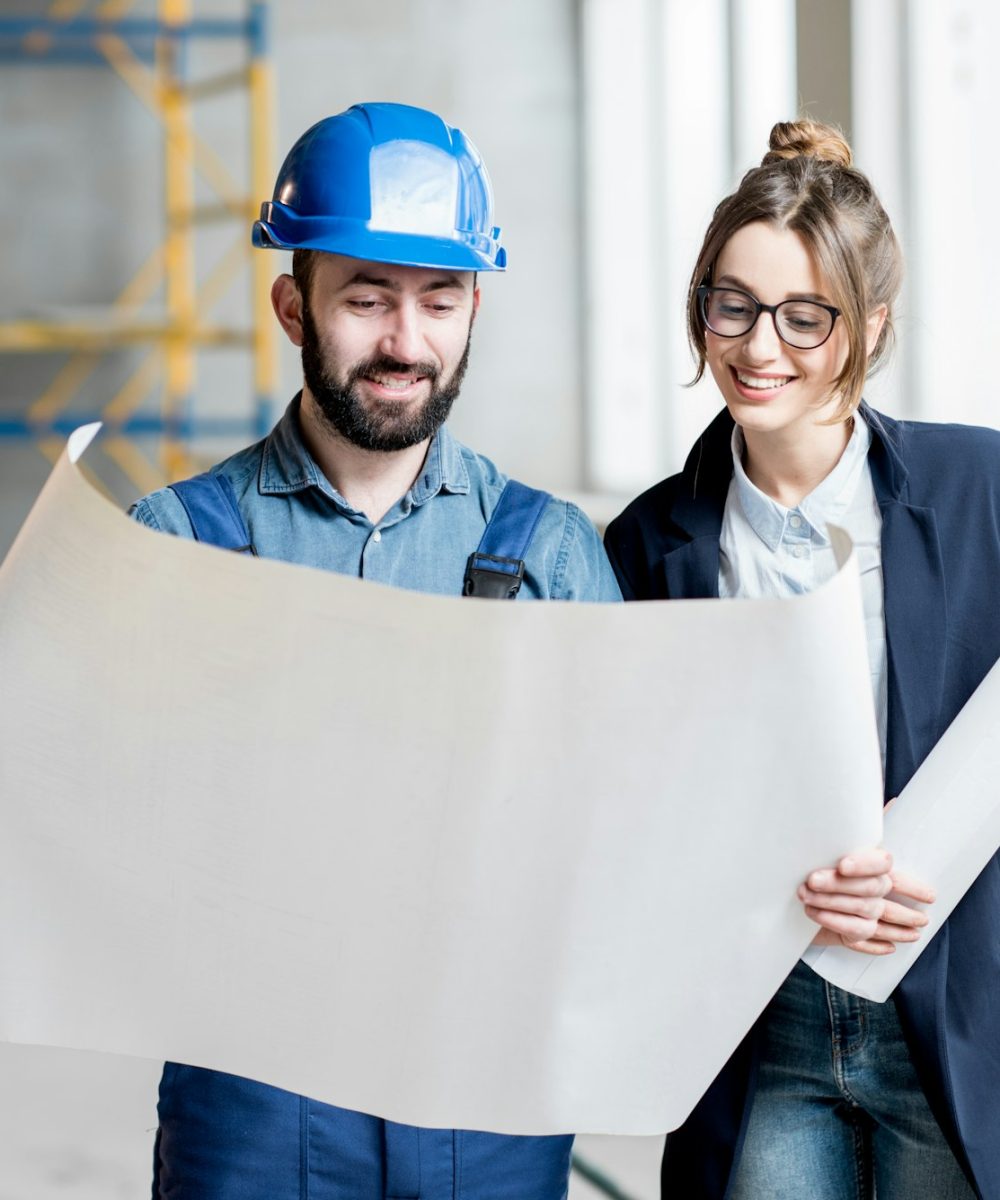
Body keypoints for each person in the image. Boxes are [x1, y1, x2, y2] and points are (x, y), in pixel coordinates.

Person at [131, 101, 621, 1200]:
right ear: (291, 306)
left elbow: (615, 838)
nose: (406, 342)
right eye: (366, 299)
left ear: (474, 306)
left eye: (438, 301)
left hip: (486, 1093)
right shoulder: (174, 549)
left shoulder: (549, 554)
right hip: (251, 1091)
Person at [605, 119, 1000, 1200]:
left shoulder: (980, 493)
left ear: (869, 327)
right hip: (760, 1025)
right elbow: (627, 806)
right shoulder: (648, 544)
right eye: (728, 305)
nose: (756, 347)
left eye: (802, 317)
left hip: (949, 1018)